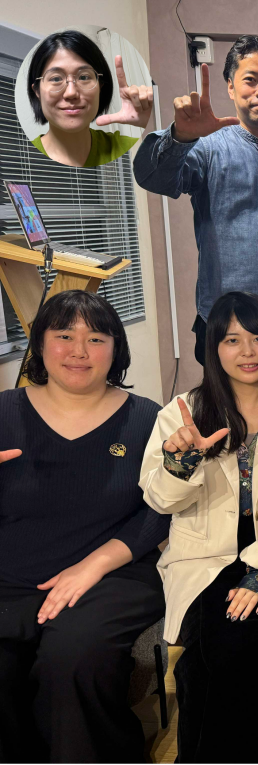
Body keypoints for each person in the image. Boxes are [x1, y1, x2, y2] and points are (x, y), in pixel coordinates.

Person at [139, 291, 258, 763]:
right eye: (231, 340)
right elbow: (159, 499)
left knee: (232, 655)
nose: (247, 351)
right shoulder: (181, 414)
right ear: (214, 348)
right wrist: (181, 462)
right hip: (205, 559)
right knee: (234, 645)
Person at [0, 290, 167, 762]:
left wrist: (92, 566)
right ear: (39, 344)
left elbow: (161, 510)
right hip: (12, 574)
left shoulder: (147, 418)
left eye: (95, 338)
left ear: (115, 349)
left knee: (72, 659)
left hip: (114, 573)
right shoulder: (4, 411)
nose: (79, 351)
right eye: (64, 336)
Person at [133, 35, 258, 394]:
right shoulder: (207, 149)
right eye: (251, 80)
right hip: (228, 330)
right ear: (230, 86)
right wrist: (179, 138)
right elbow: (154, 178)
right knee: (228, 422)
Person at [26, 30, 152, 167]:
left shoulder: (126, 147)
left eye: (84, 77)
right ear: (37, 91)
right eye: (56, 79)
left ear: (101, 86)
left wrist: (148, 124)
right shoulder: (24, 158)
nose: (71, 93)